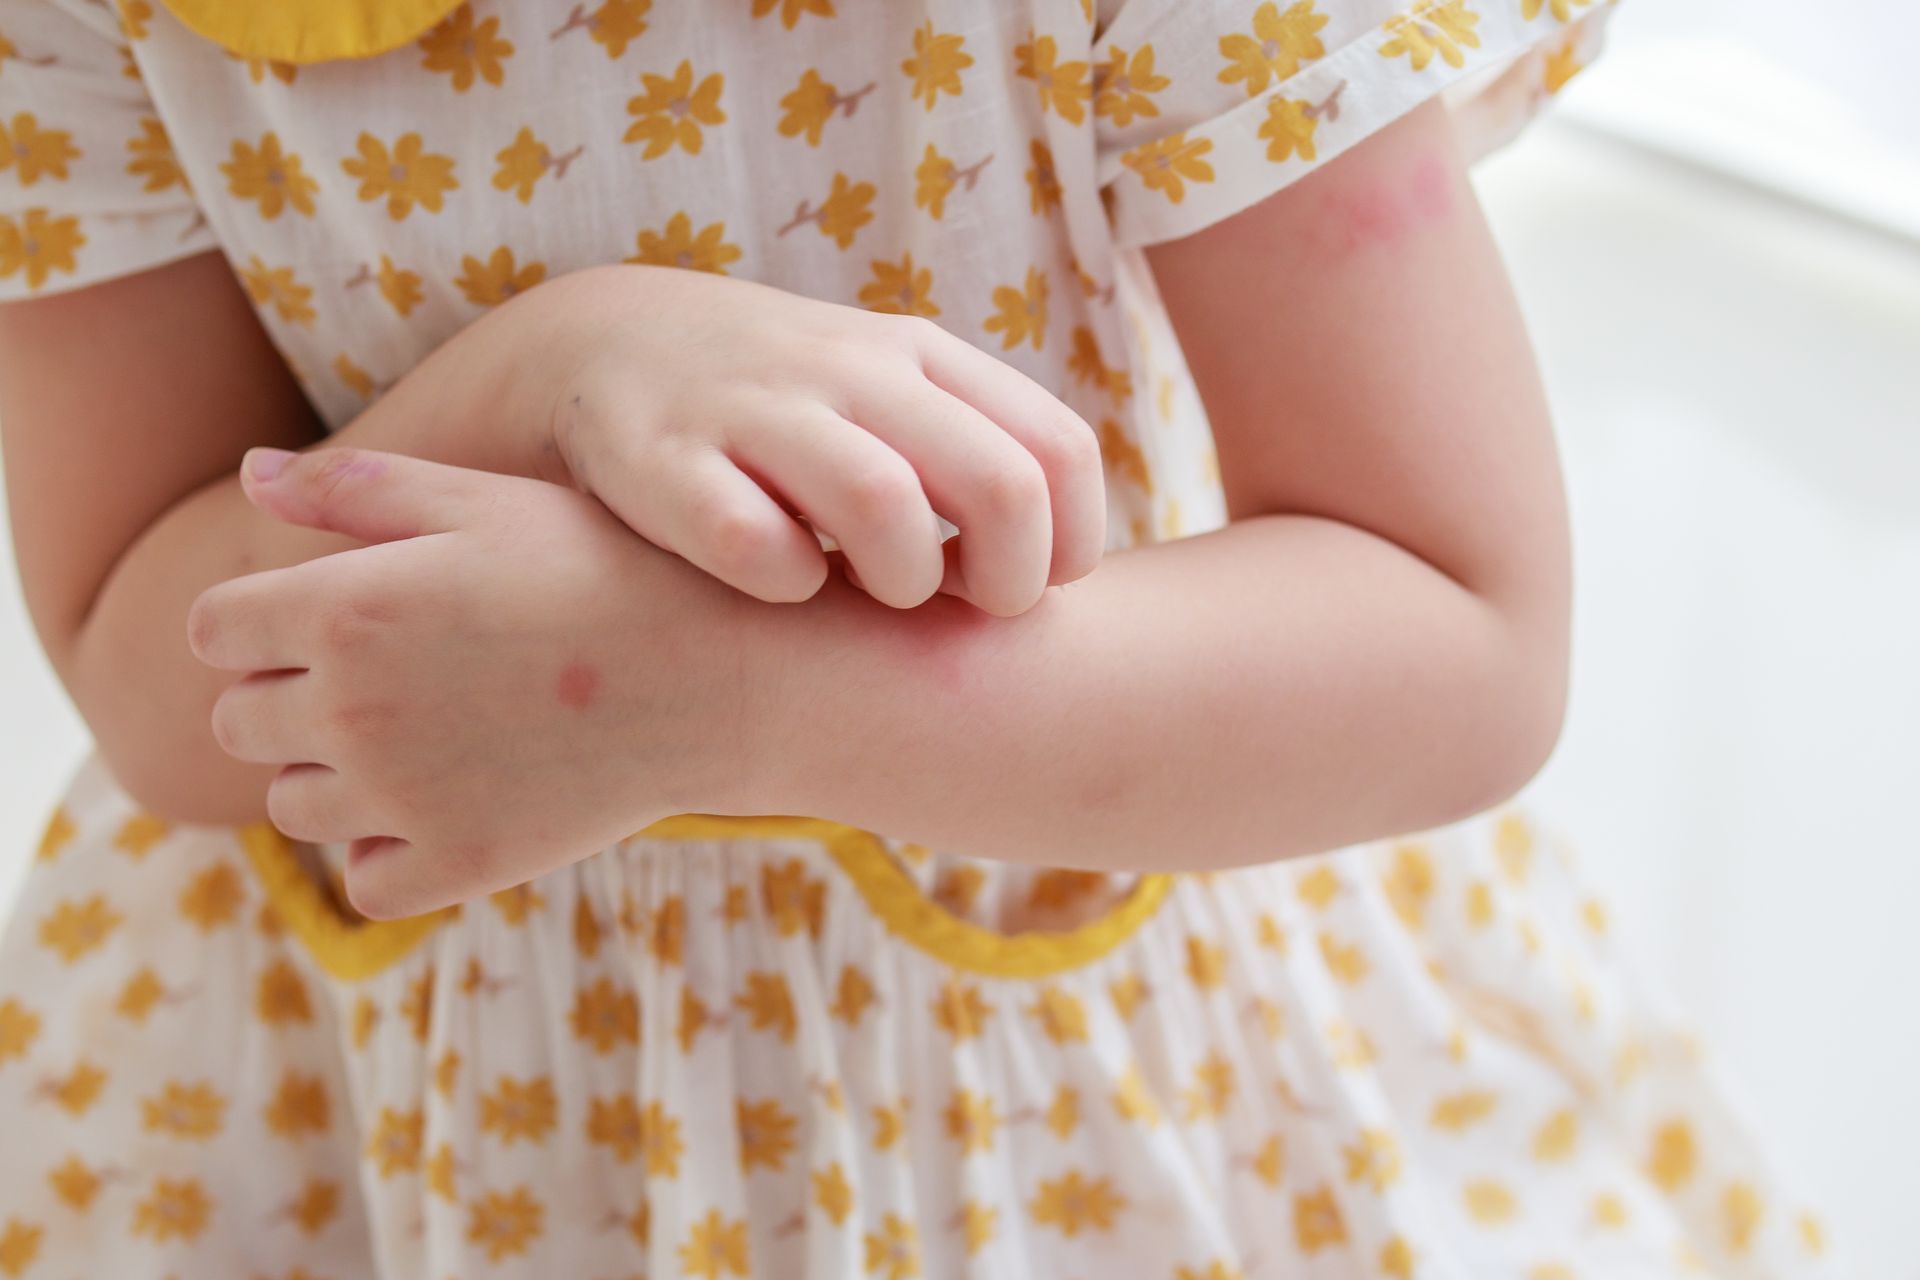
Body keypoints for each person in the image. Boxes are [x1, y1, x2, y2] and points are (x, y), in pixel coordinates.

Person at [0, 0, 1833, 1275]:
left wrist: (711, 699)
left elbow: (1461, 629)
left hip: (1103, 1085)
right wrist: (546, 370)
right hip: (375, 1110)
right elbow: (138, 662)